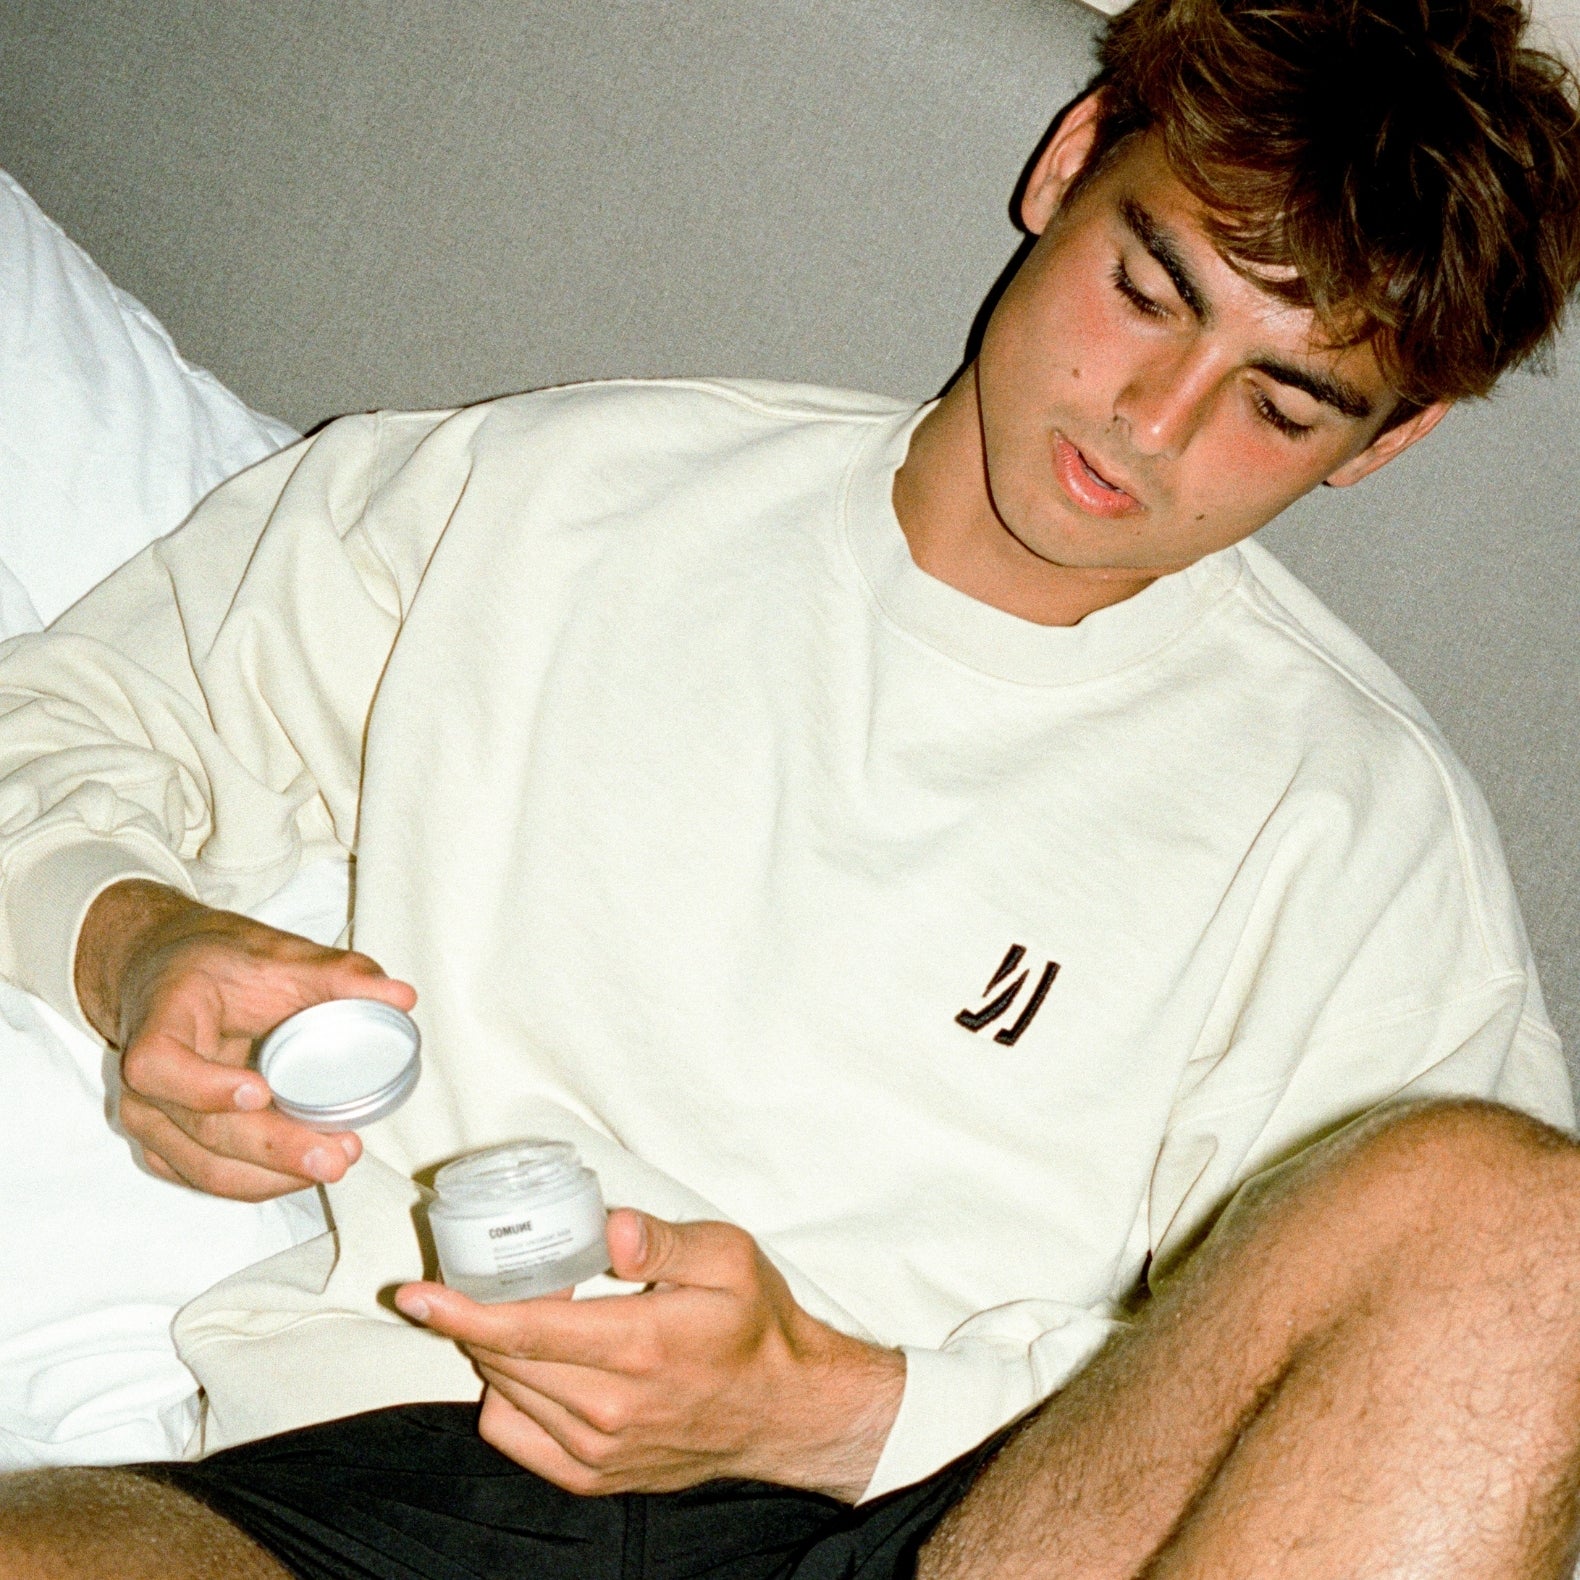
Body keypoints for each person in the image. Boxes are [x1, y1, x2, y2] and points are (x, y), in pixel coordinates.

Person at [4, 0, 1580, 1572]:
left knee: (1528, 1248)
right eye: (1147, 291)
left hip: (948, 1519)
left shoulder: (1347, 827)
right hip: (405, 1481)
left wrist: (845, 1412)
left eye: (1280, 402)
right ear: (1071, 159)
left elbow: (1431, 1400)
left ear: (1386, 441)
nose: (1151, 420)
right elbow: (66, 719)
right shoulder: (557, 506)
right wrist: (134, 946)